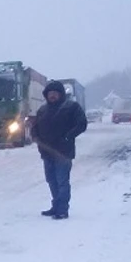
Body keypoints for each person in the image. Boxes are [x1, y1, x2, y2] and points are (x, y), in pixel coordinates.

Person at [30, 80, 88, 219]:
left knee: (62, 181)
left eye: (55, 93)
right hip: (47, 153)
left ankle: (62, 210)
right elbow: (34, 128)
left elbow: (82, 124)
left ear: (61, 94)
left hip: (63, 152)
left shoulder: (71, 107)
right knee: (51, 181)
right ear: (46, 95)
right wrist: (36, 139)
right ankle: (55, 206)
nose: (53, 96)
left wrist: (68, 137)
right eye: (50, 93)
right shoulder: (42, 110)